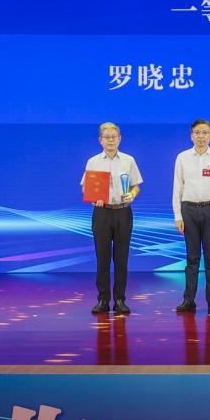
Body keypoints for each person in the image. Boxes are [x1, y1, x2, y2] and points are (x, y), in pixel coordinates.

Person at [82, 122, 142, 315]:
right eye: (106, 137)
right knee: (103, 258)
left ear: (119, 139)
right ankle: (102, 300)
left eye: (113, 137)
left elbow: (136, 185)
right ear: (100, 140)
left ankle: (120, 300)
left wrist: (132, 194)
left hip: (123, 212)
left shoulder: (128, 160)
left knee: (121, 258)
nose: (110, 140)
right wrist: (93, 198)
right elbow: (86, 188)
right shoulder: (93, 162)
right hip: (102, 213)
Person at [172, 118, 210, 314]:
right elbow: (177, 187)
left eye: (205, 133)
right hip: (188, 210)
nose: (201, 136)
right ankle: (188, 300)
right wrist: (178, 216)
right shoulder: (182, 157)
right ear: (191, 136)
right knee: (192, 258)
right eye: (197, 133)